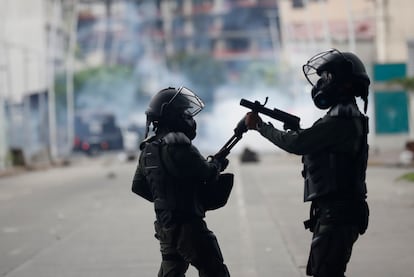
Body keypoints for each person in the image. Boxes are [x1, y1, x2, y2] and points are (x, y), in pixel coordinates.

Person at [245, 49, 370, 277]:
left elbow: (298, 144)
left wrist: (261, 127)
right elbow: (315, 143)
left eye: (327, 77)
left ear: (340, 82)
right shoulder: (344, 116)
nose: (321, 83)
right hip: (336, 210)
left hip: (338, 212)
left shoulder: (342, 119)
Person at [131, 86, 231, 277]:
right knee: (214, 271)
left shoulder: (148, 149)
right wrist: (217, 163)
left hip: (165, 225)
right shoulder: (179, 145)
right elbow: (207, 173)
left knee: (171, 272)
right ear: (173, 116)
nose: (190, 119)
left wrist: (166, 200)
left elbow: (138, 186)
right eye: (186, 113)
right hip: (188, 226)